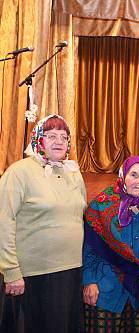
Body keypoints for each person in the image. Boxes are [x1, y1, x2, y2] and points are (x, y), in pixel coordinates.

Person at [0, 115, 87, 333]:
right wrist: (11, 271)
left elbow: (80, 215)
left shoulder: (73, 173)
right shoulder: (19, 172)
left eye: (63, 137)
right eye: (51, 136)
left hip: (70, 272)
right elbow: (4, 220)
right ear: (38, 139)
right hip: (32, 276)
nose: (58, 141)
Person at [82, 155, 139, 332]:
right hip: (105, 289)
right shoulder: (102, 205)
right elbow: (89, 247)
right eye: (133, 175)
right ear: (123, 175)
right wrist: (89, 281)